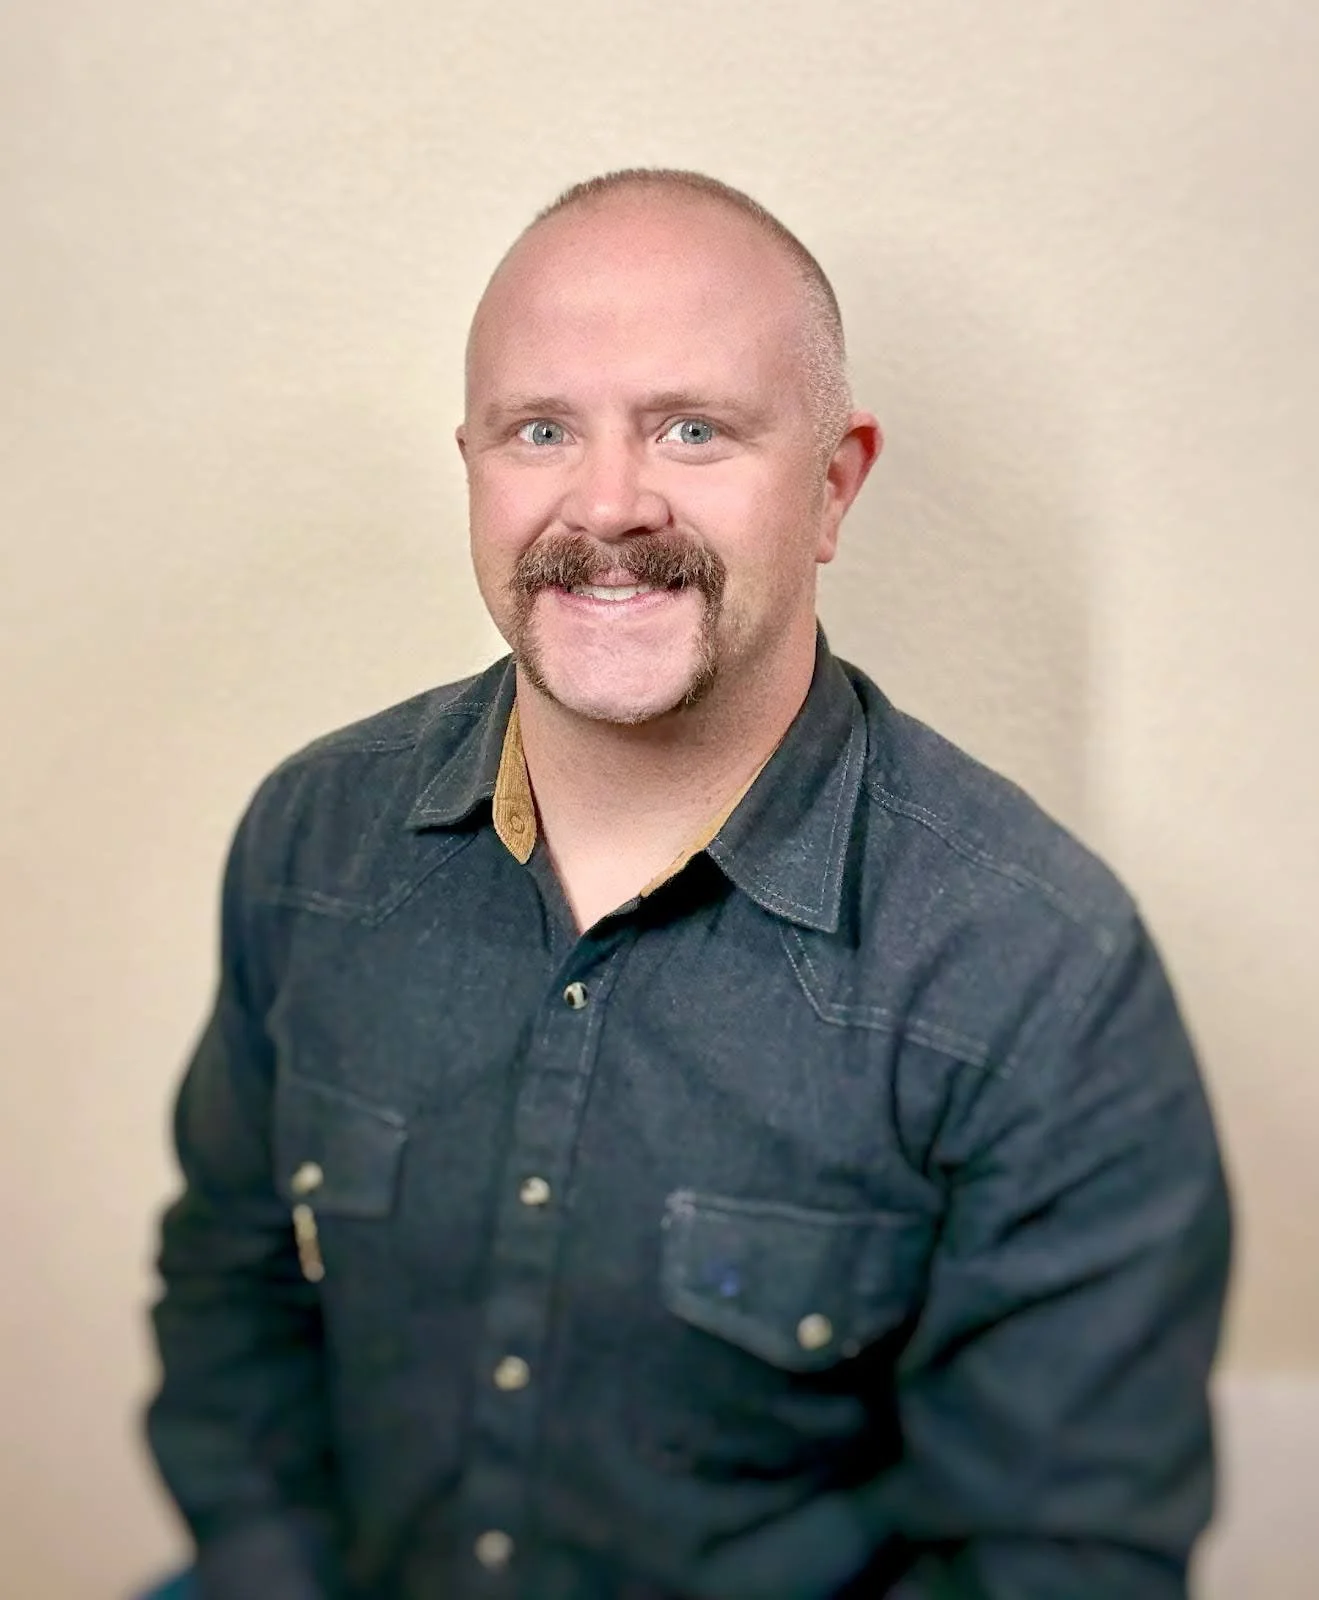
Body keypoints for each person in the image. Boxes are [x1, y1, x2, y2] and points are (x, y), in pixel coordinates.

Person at [144, 168, 1232, 1600]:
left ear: (833, 484)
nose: (606, 501)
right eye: (541, 429)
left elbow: (1059, 1562)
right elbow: (231, 1309)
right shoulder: (312, 842)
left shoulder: (1038, 970)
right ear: (471, 462)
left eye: (692, 428)